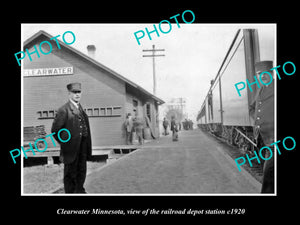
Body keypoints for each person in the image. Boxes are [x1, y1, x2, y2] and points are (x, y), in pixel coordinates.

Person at [51, 82, 92, 194]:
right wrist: (66, 143)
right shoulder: (63, 110)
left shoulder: (81, 109)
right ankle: (71, 192)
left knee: (82, 170)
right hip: (70, 148)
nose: (77, 95)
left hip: (82, 145)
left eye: (79, 92)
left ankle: (80, 190)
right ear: (69, 94)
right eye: (74, 92)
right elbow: (55, 131)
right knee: (70, 173)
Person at [250, 61, 274, 193]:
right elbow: (252, 108)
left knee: (268, 176)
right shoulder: (261, 89)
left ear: (272, 72)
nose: (263, 76)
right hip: (266, 139)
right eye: (259, 74)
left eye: (266, 73)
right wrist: (259, 121)